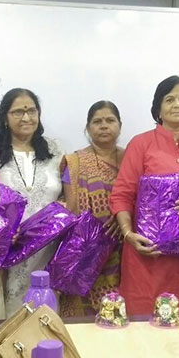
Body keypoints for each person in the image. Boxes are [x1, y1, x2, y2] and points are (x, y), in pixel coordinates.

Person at [110, 75, 179, 315]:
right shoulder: (141, 144)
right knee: (143, 326)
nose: (177, 104)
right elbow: (122, 195)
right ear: (158, 108)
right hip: (147, 255)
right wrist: (128, 234)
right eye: (169, 99)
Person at [0, 88, 64, 318]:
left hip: (49, 247)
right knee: (12, 315)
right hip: (11, 248)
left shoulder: (55, 150)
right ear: (5, 117)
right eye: (18, 112)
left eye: (32, 111)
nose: (26, 117)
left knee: (46, 316)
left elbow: (67, 195)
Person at [59, 101, 125, 317]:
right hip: (86, 254)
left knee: (120, 315)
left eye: (110, 120)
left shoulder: (132, 158)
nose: (104, 125)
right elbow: (71, 209)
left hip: (125, 250)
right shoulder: (75, 162)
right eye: (97, 121)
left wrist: (123, 219)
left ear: (120, 125)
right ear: (88, 128)